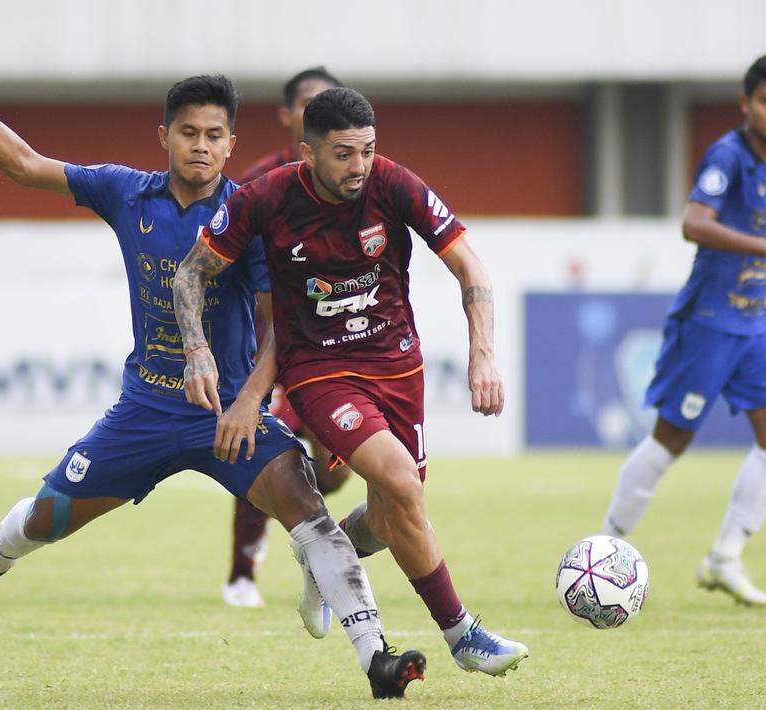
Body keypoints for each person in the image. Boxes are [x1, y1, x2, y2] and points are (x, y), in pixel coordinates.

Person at [0, 42, 426, 699]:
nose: (201, 146)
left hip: (231, 416)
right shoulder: (126, 192)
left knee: (308, 511)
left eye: (214, 135)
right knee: (46, 517)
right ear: (164, 137)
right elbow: (23, 164)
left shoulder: (255, 213)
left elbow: (287, 324)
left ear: (232, 143)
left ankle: (376, 659)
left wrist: (267, 403)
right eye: (188, 132)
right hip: (146, 411)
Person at [174, 87, 529, 678]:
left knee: (393, 515)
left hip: (399, 366)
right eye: (343, 154)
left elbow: (470, 263)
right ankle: (462, 634)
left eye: (366, 151)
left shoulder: (393, 184)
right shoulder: (266, 197)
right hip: (318, 369)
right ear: (307, 151)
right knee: (398, 484)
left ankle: (324, 558)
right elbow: (190, 273)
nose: (359, 167)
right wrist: (197, 353)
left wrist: (484, 354)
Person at [599, 54, 766, 607]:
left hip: (756, 319)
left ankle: (723, 558)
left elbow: (746, 235)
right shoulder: (729, 154)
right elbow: (694, 223)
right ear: (747, 104)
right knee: (672, 439)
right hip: (710, 322)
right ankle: (605, 549)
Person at [223, 66, 350, 609]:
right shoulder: (259, 183)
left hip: (332, 344)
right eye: (307, 104)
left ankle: (304, 530)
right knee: (259, 446)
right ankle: (242, 573)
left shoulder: (354, 181)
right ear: (287, 116)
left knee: (336, 468)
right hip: (269, 345)